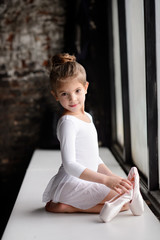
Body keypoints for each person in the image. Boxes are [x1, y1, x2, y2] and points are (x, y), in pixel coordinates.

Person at [42, 53, 144, 222]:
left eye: (77, 91)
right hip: (73, 183)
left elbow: (93, 158)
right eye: (64, 94)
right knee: (125, 202)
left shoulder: (87, 117)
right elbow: (70, 165)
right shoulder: (68, 122)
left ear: (86, 87)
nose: (72, 99)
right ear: (55, 95)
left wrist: (113, 178)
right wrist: (105, 181)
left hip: (86, 179)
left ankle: (68, 205)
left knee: (125, 194)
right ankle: (67, 207)